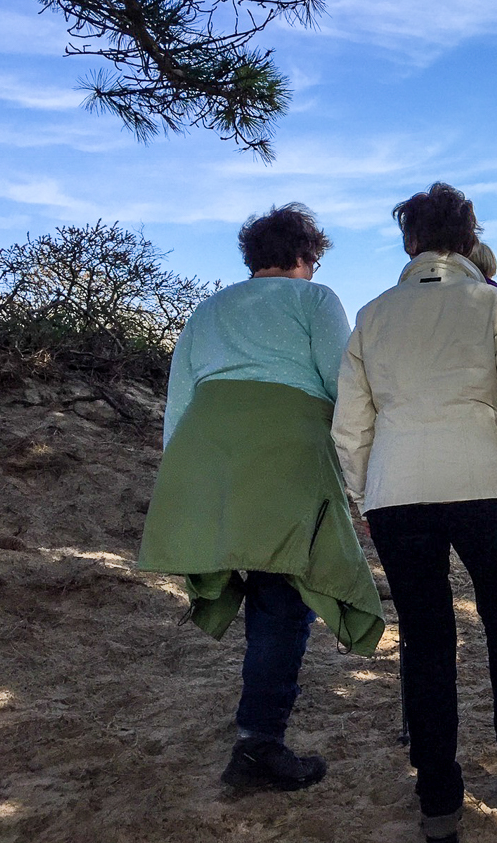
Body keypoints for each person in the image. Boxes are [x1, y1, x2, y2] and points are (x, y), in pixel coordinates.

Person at [138, 204, 384, 792]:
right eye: (314, 259)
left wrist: (183, 481)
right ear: (304, 255)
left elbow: (180, 401)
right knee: (283, 594)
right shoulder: (315, 299)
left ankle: (257, 731)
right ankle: (258, 745)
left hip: (208, 455)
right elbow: (342, 385)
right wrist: (365, 473)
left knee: (262, 587)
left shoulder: (208, 309)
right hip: (284, 451)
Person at [333, 183, 497, 841]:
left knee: (425, 640)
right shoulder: (495, 304)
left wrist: (363, 492)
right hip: (483, 481)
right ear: (467, 237)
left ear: (410, 241)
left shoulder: (372, 315)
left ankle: (437, 797)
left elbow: (350, 425)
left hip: (397, 491)